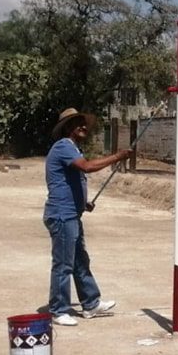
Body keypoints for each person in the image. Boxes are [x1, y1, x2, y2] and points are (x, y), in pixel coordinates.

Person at [44, 108, 132, 327]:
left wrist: (83, 203)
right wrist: (117, 157)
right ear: (67, 128)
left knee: (80, 261)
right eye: (78, 124)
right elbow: (88, 167)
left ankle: (90, 303)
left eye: (84, 123)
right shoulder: (64, 146)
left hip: (72, 214)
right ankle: (58, 309)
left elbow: (70, 180)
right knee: (64, 264)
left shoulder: (73, 148)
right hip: (62, 215)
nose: (83, 127)